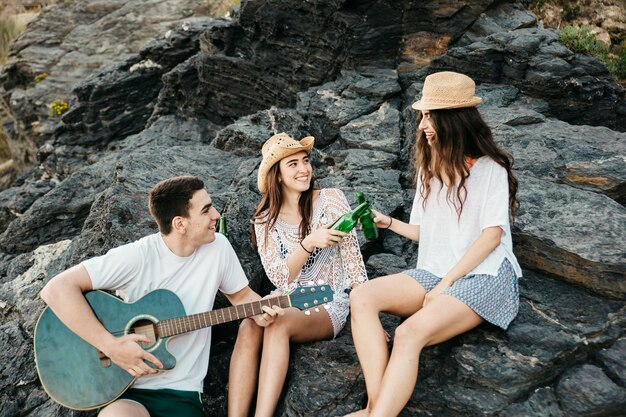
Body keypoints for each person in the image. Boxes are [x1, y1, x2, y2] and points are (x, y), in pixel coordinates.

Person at [345, 71, 522, 417]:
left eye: (431, 116)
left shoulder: (490, 170)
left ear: (453, 119)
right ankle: (375, 407)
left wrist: (445, 285)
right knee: (361, 296)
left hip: (483, 276)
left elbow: (492, 237)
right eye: (422, 115)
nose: (424, 124)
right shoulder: (431, 168)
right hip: (436, 270)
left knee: (409, 332)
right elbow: (427, 232)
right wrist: (390, 223)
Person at [40, 176, 283, 417]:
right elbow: (55, 289)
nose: (216, 215)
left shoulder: (218, 248)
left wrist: (264, 311)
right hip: (128, 389)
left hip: (183, 393)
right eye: (206, 210)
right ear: (180, 224)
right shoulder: (138, 256)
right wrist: (110, 346)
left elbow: (241, 297)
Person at [228, 132, 368, 417]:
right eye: (292, 164)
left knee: (279, 324)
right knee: (248, 325)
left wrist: (367, 317)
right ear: (277, 175)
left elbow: (354, 261)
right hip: (287, 296)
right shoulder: (263, 219)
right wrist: (307, 244)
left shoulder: (331, 199)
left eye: (305, 161)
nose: (303, 169)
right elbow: (279, 278)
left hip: (329, 300)